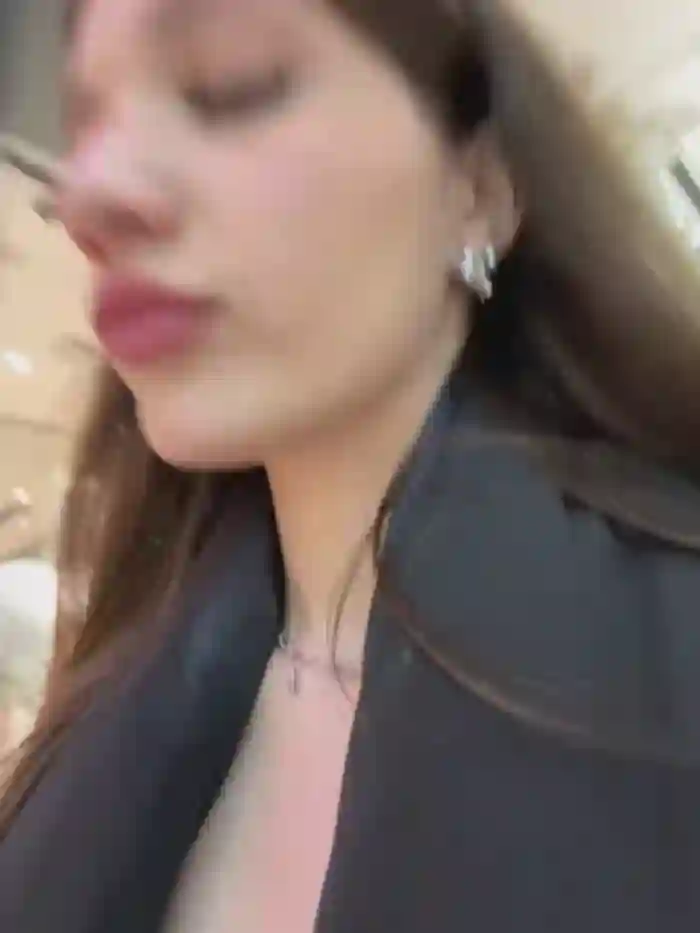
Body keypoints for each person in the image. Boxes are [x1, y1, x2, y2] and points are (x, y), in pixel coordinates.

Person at [3, 0, 700, 930]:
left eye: (230, 85)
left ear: (479, 189)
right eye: (87, 127)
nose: (87, 198)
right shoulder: (128, 670)